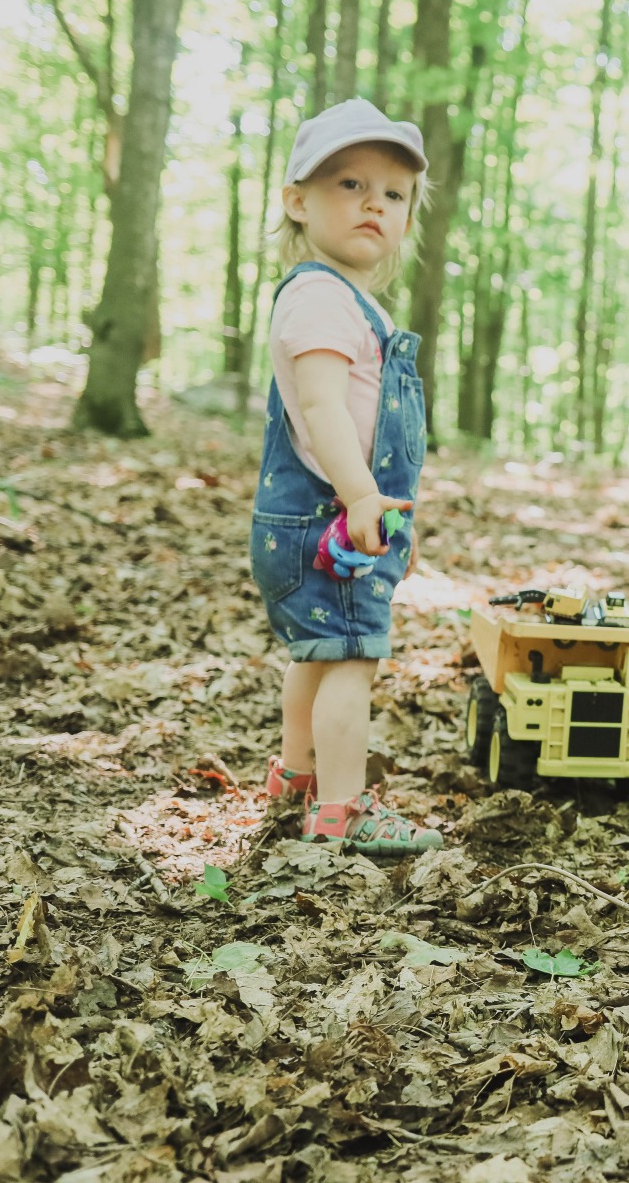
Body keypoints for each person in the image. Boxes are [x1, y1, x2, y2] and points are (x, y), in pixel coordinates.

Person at [248, 98, 443, 856]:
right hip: (330, 519)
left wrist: (389, 515)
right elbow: (325, 409)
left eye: (393, 194)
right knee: (353, 661)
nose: (375, 203)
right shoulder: (324, 299)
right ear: (297, 201)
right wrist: (363, 497)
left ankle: (295, 778)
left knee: (318, 651)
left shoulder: (345, 301)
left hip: (323, 520)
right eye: (349, 184)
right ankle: (342, 810)